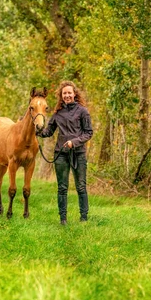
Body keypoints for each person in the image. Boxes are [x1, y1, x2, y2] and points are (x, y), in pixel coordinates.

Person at [37, 81, 93, 225]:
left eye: (69, 93)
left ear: (74, 94)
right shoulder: (57, 114)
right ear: (61, 96)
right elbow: (48, 132)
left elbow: (88, 133)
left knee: (81, 186)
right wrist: (36, 130)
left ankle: (84, 218)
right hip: (60, 154)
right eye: (64, 93)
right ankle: (63, 219)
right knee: (62, 188)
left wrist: (74, 142)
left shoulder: (83, 111)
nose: (67, 95)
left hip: (78, 153)